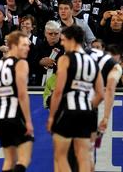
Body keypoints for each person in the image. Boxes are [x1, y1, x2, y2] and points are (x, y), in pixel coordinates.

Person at [47, 25, 104, 172]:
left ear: (72, 40)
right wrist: (88, 106)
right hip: (87, 113)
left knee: (60, 156)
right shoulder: (92, 61)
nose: (61, 43)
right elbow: (100, 94)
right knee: (83, 156)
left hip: (69, 111)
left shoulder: (65, 59)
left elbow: (58, 92)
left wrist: (52, 117)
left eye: (64, 40)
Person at [0, 31, 34, 172]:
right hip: (17, 116)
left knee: (8, 161)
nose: (28, 48)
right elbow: (22, 94)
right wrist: (28, 121)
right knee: (24, 160)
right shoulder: (21, 63)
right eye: (24, 45)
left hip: (2, 118)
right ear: (14, 45)